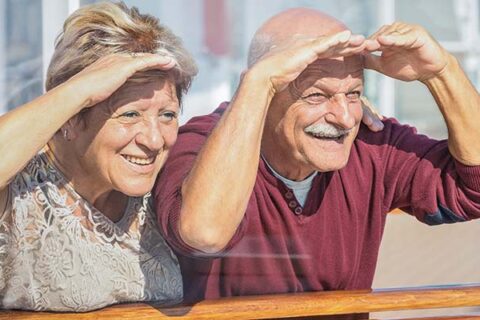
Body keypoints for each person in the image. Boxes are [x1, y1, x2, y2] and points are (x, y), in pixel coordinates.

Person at [154, 8, 480, 303]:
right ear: (266, 92)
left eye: (353, 93)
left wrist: (440, 72)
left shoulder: (372, 145)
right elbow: (203, 235)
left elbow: (474, 190)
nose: (345, 117)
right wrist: (256, 86)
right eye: (316, 95)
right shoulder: (202, 142)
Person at [0, 1, 197, 312]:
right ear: (72, 117)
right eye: (130, 114)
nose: (155, 139)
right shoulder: (19, 189)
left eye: (168, 115)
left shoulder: (164, 186)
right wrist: (83, 88)